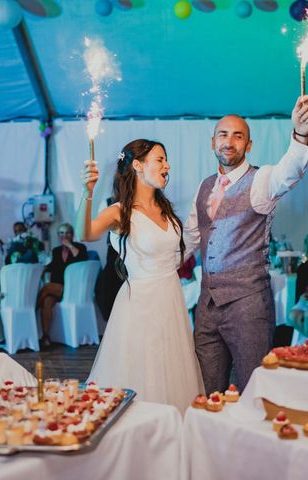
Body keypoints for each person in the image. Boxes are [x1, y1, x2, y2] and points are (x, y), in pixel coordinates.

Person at [184, 95, 308, 394]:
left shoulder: (262, 180)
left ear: (248, 145)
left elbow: (290, 171)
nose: (229, 142)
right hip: (206, 307)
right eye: (223, 135)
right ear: (212, 142)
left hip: (248, 306)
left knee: (252, 388)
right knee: (206, 391)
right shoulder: (204, 186)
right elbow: (191, 238)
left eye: (237, 135)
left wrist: (300, 135)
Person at [77, 139, 204, 414]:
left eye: (166, 160)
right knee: (142, 374)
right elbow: (84, 234)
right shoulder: (119, 212)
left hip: (171, 304)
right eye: (160, 159)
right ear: (138, 165)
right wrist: (87, 193)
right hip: (139, 307)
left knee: (172, 374)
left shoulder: (167, 211)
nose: (167, 165)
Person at [36, 223, 87, 347]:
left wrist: (69, 246)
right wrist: (42, 269)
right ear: (58, 236)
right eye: (61, 233)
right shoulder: (56, 251)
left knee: (47, 287)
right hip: (58, 290)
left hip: (73, 289)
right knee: (47, 301)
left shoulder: (80, 247)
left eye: (67, 233)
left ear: (72, 235)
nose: (64, 235)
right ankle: (46, 337)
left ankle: (32, 310)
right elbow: (53, 266)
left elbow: (81, 259)